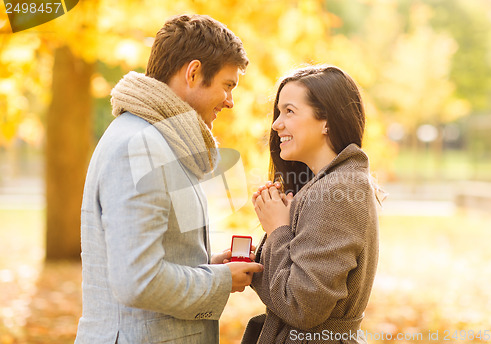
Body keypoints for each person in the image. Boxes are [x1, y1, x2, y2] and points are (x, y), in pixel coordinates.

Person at [75, 14, 263, 344]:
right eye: (227, 85)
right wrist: (219, 280)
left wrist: (208, 265)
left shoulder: (160, 141)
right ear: (193, 73)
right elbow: (138, 280)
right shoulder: (139, 146)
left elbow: (155, 255)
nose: (230, 102)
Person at [242, 65, 381, 344]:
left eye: (289, 111)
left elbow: (301, 307)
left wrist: (278, 229)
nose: (276, 124)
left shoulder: (338, 190)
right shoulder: (325, 185)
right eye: (279, 112)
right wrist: (248, 262)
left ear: (327, 121)